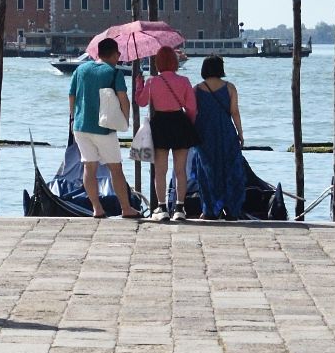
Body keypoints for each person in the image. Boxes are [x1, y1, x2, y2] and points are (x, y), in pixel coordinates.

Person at [69, 39, 138, 220]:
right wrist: (125, 121)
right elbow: (123, 99)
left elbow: (72, 95)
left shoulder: (80, 69)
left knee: (89, 167)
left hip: (80, 126)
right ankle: (126, 208)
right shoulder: (114, 73)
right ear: (115, 54)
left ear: (98, 53)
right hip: (104, 128)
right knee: (115, 168)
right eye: (118, 54)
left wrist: (74, 117)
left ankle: (97, 208)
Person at [136, 47, 198, 221]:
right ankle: (179, 208)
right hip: (179, 122)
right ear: (174, 62)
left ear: (158, 63)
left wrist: (139, 84)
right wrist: (188, 124)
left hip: (160, 123)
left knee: (160, 170)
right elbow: (192, 108)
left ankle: (162, 207)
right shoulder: (184, 80)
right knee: (180, 170)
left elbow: (141, 102)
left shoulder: (152, 81)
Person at [190, 55, 247, 220]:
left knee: (206, 172)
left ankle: (209, 210)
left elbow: (193, 113)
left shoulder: (196, 89)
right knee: (230, 169)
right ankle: (231, 209)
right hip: (225, 133)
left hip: (203, 134)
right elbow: (234, 112)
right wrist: (240, 133)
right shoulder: (230, 88)